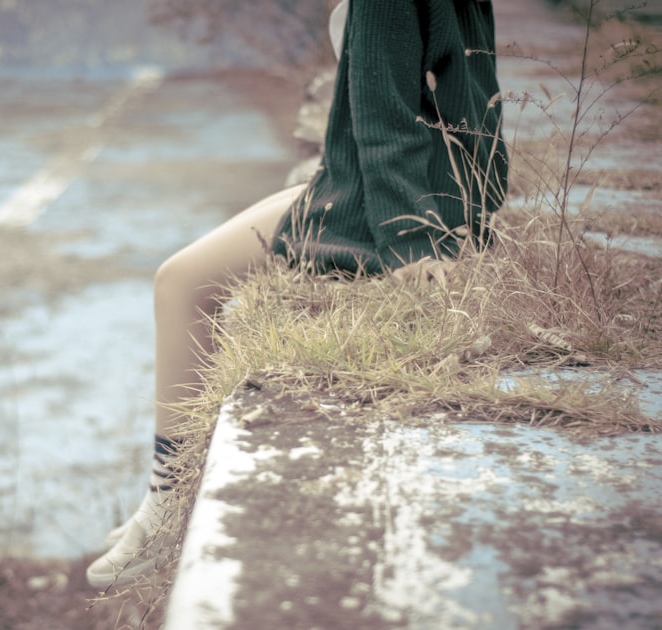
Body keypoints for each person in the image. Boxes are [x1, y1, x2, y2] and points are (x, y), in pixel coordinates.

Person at [86, 0, 508, 590]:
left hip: (382, 207)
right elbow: (480, 98)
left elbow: (384, 121)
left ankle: (165, 503)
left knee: (179, 283)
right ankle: (161, 498)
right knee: (194, 267)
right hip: (425, 192)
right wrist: (476, 211)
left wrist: (412, 244)